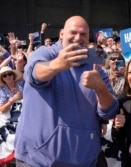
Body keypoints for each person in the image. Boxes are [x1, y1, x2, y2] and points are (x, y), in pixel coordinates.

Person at [14, 15, 119, 167]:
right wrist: (57, 65)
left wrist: (100, 88)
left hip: (85, 160)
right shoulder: (46, 53)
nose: (78, 37)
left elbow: (110, 111)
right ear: (62, 34)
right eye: (73, 32)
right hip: (38, 160)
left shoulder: (94, 65)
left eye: (83, 34)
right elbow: (33, 74)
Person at [0, 66, 23, 165]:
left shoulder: (22, 85)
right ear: (3, 79)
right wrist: (11, 100)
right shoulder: (2, 91)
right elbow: (2, 109)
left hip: (23, 111)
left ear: (13, 75)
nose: (8, 76)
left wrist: (22, 96)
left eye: (9, 74)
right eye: (5, 76)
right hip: (11, 115)